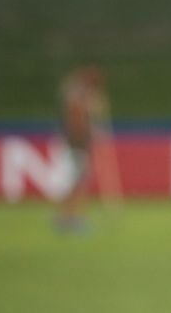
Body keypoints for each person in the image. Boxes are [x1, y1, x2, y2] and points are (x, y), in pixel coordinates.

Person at [55, 65, 109, 232]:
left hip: (76, 144)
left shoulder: (79, 96)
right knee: (78, 181)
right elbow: (79, 122)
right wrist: (92, 133)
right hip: (77, 144)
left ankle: (66, 216)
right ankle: (70, 218)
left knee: (77, 181)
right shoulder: (78, 98)